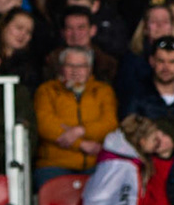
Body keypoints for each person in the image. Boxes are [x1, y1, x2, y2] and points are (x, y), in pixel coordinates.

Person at [34, 45, 118, 187]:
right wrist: (81, 144)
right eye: (70, 65)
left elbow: (110, 123)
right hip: (55, 164)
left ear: (89, 69)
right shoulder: (47, 90)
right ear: (61, 68)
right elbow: (45, 125)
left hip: (95, 162)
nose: (75, 71)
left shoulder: (103, 91)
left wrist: (81, 130)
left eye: (81, 66)